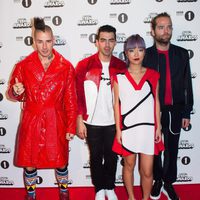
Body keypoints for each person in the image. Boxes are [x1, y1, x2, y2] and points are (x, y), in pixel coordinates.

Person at [7, 17, 77, 200]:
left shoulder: (66, 67)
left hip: (56, 119)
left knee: (61, 161)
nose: (44, 47)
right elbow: (14, 93)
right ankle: (31, 195)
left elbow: (71, 99)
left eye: (48, 41)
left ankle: (63, 191)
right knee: (29, 162)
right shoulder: (23, 66)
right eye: (40, 42)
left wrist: (71, 126)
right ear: (34, 42)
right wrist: (15, 91)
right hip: (32, 120)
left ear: (53, 41)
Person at [143, 12, 194, 200]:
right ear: (153, 31)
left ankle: (169, 182)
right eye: (161, 27)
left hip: (175, 110)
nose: (166, 31)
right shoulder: (146, 55)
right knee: (155, 149)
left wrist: (187, 110)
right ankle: (157, 180)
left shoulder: (181, 54)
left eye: (169, 27)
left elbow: (187, 83)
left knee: (172, 149)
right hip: (152, 112)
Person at [75, 25, 126, 200]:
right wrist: (79, 120)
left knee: (112, 158)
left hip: (114, 122)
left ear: (115, 42)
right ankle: (99, 188)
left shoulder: (121, 66)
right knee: (95, 157)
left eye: (111, 40)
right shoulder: (84, 65)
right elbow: (78, 96)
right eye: (103, 40)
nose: (106, 44)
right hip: (92, 122)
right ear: (97, 42)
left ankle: (110, 187)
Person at [112, 34, 164, 200]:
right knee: (129, 165)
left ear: (144, 53)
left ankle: (145, 198)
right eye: (132, 50)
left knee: (147, 170)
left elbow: (156, 102)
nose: (136, 54)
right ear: (126, 53)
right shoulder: (118, 77)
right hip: (128, 129)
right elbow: (116, 105)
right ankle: (131, 197)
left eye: (140, 50)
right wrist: (118, 130)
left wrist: (159, 127)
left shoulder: (154, 75)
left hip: (148, 129)